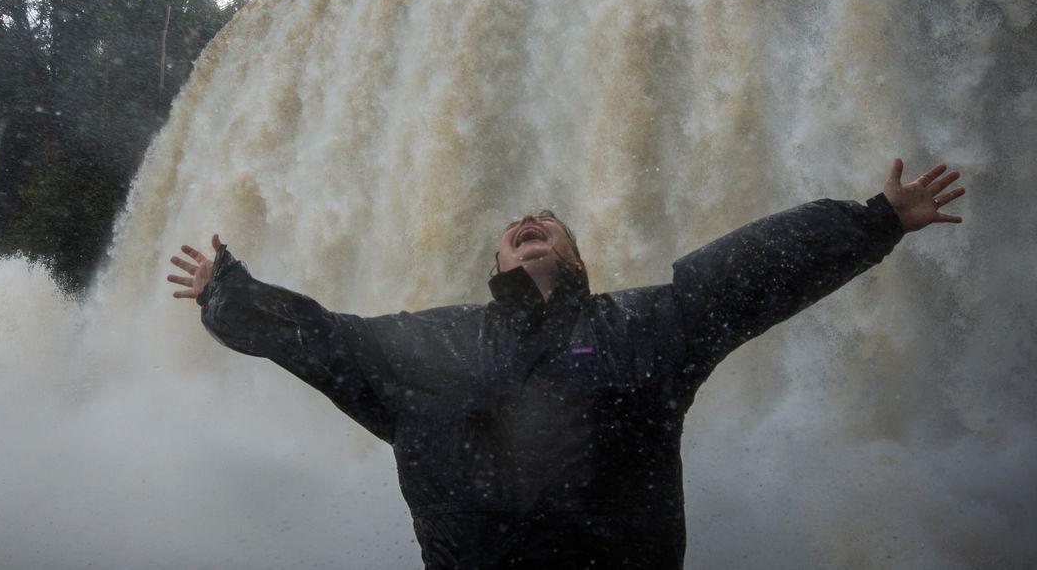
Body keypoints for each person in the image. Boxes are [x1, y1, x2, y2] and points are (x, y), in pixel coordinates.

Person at [167, 159, 965, 569]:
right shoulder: (431, 343)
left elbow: (751, 272)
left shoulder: (647, 326)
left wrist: (876, 221)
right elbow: (321, 336)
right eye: (516, 224)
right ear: (496, 259)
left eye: (547, 219)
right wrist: (228, 294)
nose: (528, 220)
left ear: (578, 252)